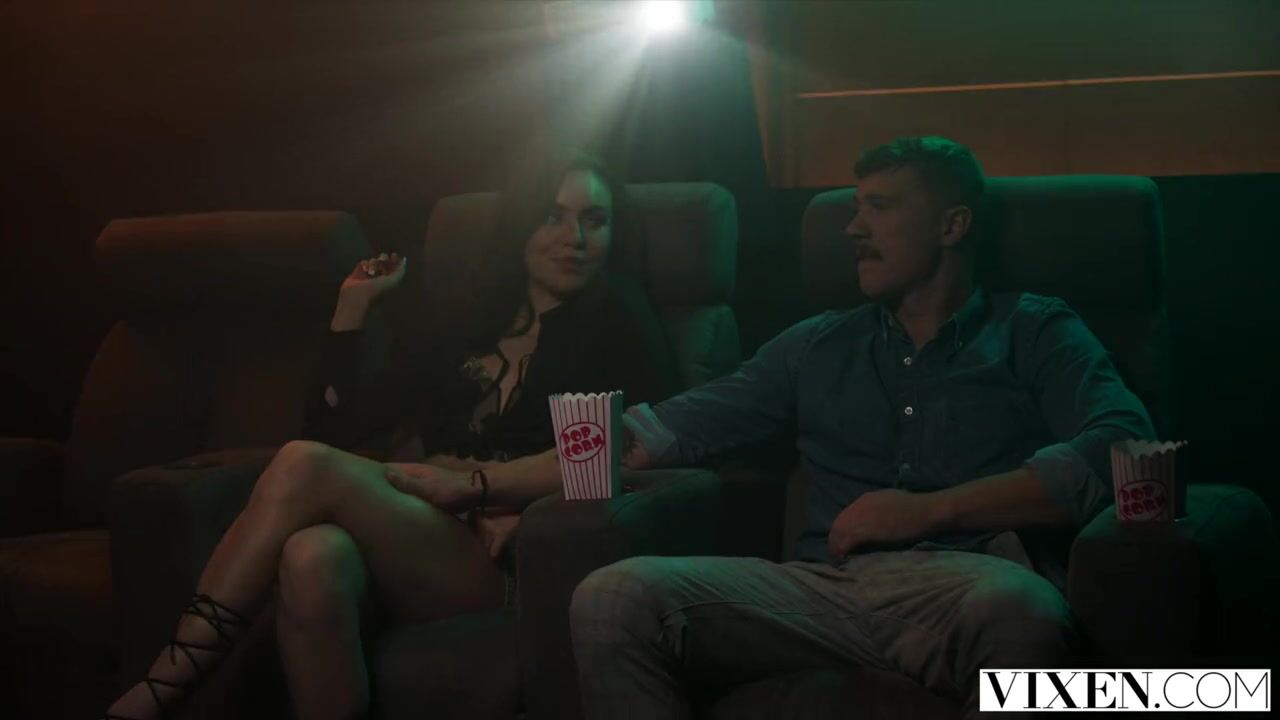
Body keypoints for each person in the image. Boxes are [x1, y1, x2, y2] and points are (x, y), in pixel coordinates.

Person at [569, 137, 1155, 719]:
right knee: (614, 596)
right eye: (855, 208)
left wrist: (929, 511)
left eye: (879, 206)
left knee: (1024, 611)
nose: (852, 229)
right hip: (821, 591)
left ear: (952, 226)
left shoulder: (1032, 329)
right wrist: (512, 477)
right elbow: (653, 435)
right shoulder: (815, 344)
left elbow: (1121, 445)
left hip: (972, 586)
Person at [105, 152, 677, 720]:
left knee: (304, 464)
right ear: (522, 225)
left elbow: (631, 454)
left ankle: (161, 691)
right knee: (311, 555)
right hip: (427, 533)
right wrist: (351, 309)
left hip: (518, 554)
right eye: (552, 216)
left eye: (594, 220)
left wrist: (503, 497)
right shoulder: (468, 322)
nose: (574, 238)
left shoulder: (619, 318)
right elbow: (333, 430)